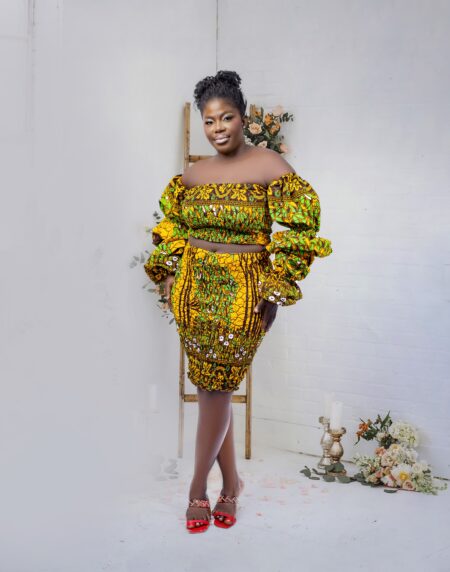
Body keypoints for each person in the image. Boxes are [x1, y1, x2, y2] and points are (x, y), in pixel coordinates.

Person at [144, 70, 333, 533]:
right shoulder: (193, 175)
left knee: (218, 389)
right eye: (209, 121)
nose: (218, 128)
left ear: (243, 117)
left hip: (244, 292)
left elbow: (301, 228)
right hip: (194, 291)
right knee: (214, 391)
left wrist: (275, 288)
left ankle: (196, 489)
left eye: (226, 117)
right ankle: (231, 484)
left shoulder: (270, 165)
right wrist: (169, 276)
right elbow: (172, 228)